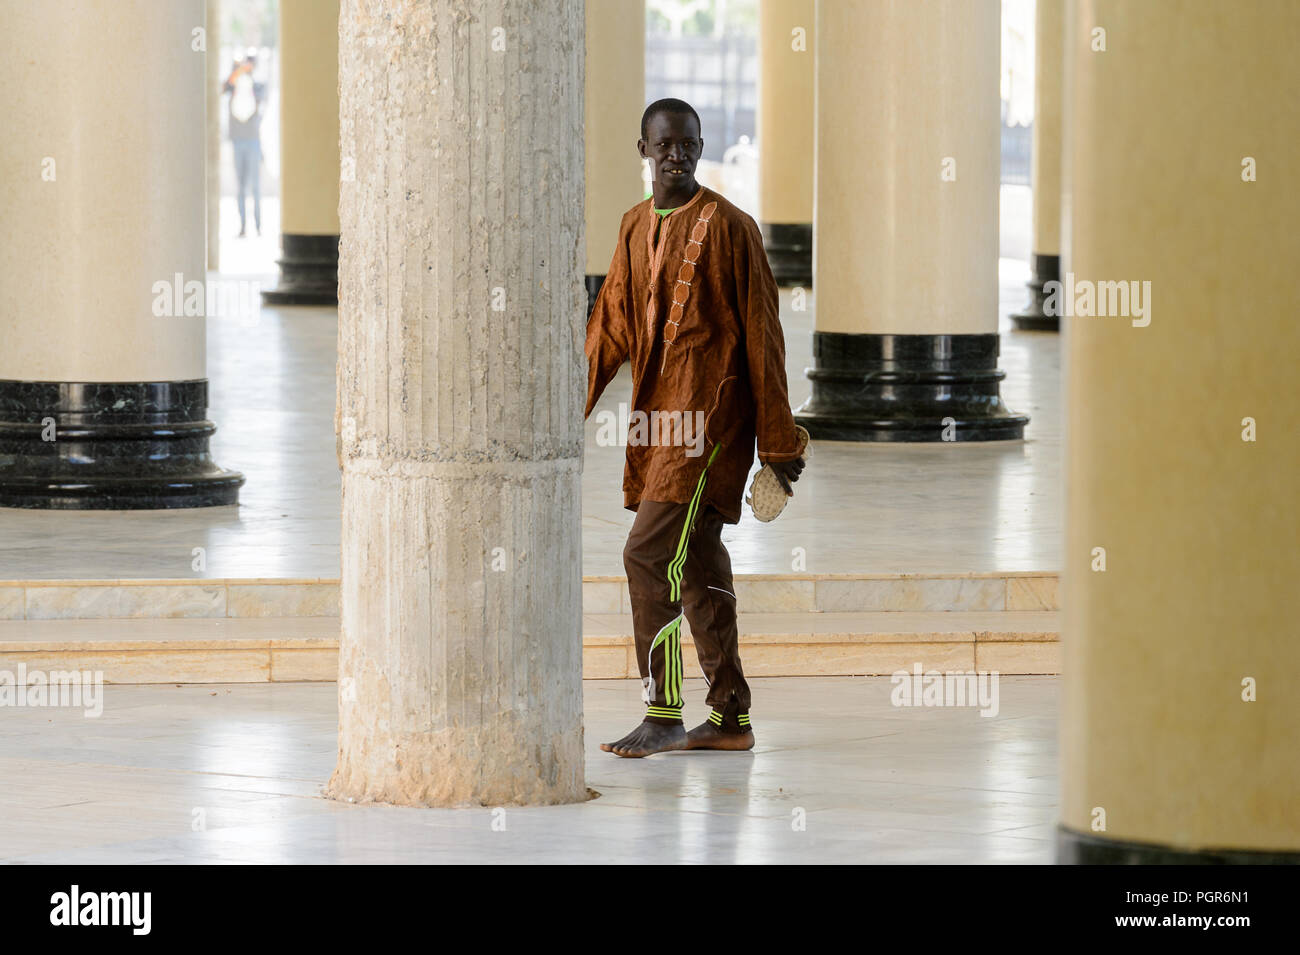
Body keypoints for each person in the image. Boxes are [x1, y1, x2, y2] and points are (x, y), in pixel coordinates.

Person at [585, 98, 806, 758]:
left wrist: (777, 440)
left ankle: (662, 708)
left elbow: (763, 336)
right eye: (663, 144)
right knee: (697, 560)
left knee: (646, 554)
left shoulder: (731, 227)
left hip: (709, 427)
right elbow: (610, 328)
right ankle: (730, 715)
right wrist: (563, 409)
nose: (675, 153)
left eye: (687, 143)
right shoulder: (631, 227)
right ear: (644, 150)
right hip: (657, 426)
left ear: (701, 147)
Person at [222, 50, 266, 237]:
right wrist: (237, 72)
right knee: (240, 186)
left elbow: (261, 96)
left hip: (253, 140)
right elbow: (224, 88)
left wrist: (248, 73)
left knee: (255, 186)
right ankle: (242, 226)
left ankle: (257, 225)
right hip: (238, 140)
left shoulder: (256, 84)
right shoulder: (233, 82)